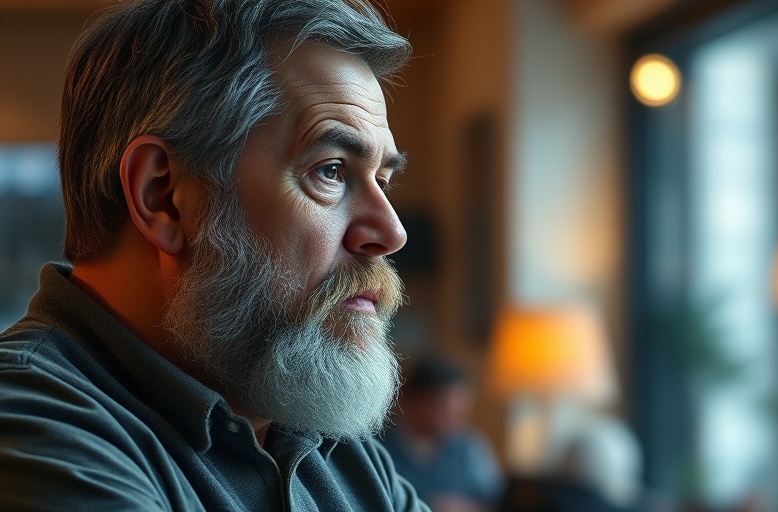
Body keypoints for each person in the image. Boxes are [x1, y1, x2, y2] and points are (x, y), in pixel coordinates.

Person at [0, 1, 429, 510]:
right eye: (331, 170)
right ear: (163, 197)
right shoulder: (33, 427)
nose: (391, 232)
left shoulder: (332, 444)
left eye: (383, 180)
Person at [380, 354, 503, 512]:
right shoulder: (379, 445)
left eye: (461, 412)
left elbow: (496, 502)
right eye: (446, 411)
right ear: (412, 403)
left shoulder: (468, 446)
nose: (458, 421)